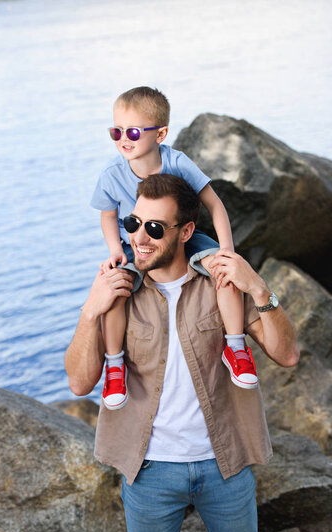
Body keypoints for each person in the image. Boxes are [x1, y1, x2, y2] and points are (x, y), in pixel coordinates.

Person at [65, 174, 300, 532]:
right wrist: (89, 312)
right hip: (149, 470)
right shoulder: (118, 291)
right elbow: (80, 382)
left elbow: (286, 355)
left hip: (225, 465)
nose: (139, 238)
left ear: (186, 232)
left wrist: (260, 289)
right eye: (133, 224)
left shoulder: (220, 282)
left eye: (154, 228)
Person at [91, 86, 258, 410]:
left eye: (133, 131)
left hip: (183, 235)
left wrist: (226, 249)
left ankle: (236, 347)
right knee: (115, 289)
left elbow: (215, 204)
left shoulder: (177, 162)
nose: (123, 138)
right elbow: (108, 215)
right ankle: (114, 365)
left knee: (223, 272)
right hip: (134, 243)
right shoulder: (112, 174)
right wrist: (114, 249)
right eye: (116, 131)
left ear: (161, 133)